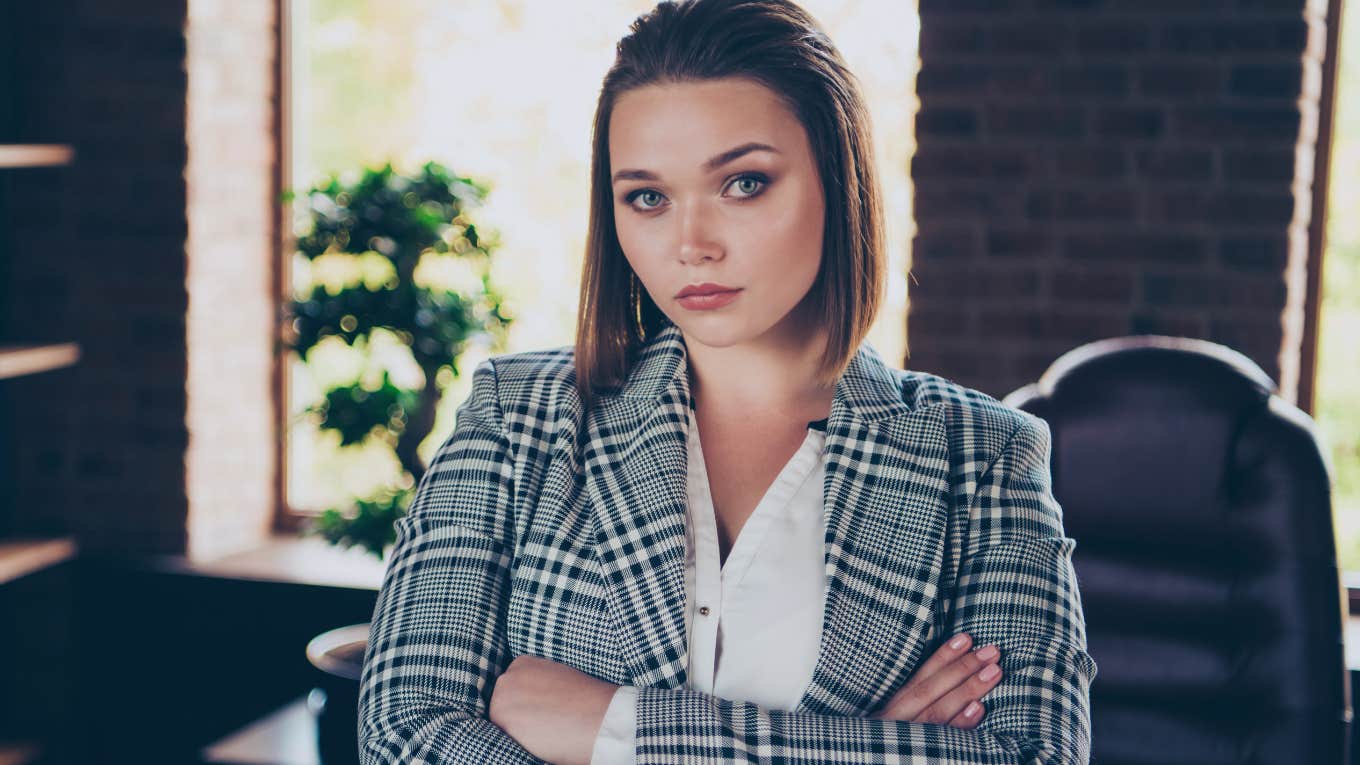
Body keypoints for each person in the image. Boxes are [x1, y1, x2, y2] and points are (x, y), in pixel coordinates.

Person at [357, 0, 1097, 763]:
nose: (691, 245)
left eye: (743, 184)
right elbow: (405, 733)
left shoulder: (982, 453)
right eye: (647, 197)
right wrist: (873, 745)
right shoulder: (518, 418)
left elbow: (1032, 755)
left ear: (836, 180)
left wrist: (615, 729)